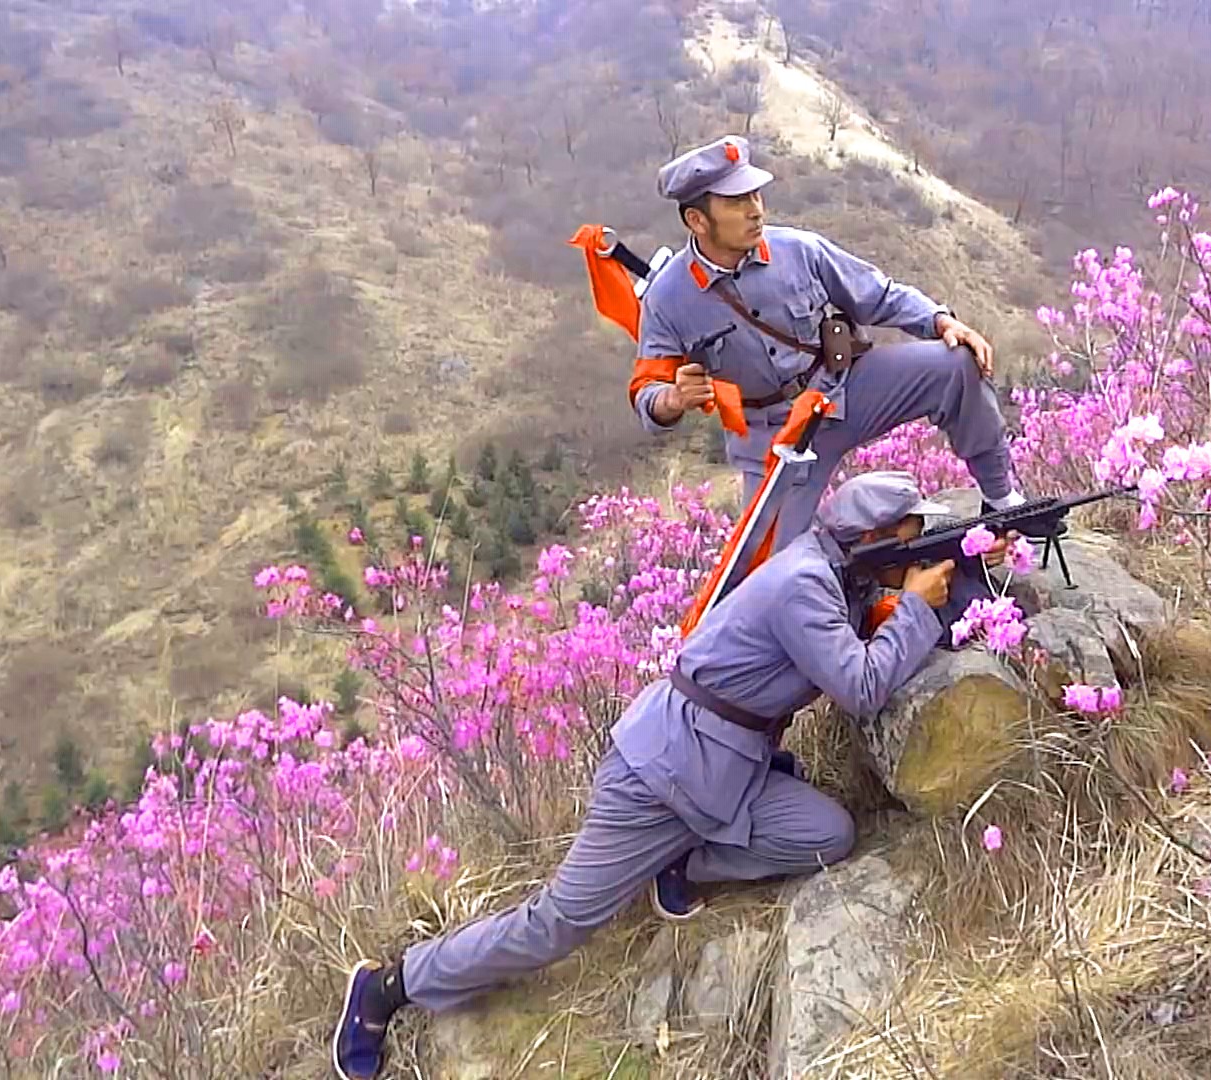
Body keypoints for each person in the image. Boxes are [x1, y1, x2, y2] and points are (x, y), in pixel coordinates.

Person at [330, 472, 1013, 1080]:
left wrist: (974, 571)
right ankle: (391, 986)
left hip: (726, 766)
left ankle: (681, 862)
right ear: (872, 536)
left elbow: (882, 625)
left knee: (826, 835)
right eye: (908, 533)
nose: (915, 544)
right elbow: (862, 683)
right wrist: (919, 606)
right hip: (657, 773)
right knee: (559, 923)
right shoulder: (803, 585)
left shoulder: (841, 573)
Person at [625, 134, 1032, 596]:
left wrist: (939, 320)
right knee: (771, 580)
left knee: (956, 363)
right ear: (697, 220)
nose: (756, 209)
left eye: (756, 195)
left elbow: (877, 295)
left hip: (841, 391)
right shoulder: (667, 299)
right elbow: (646, 394)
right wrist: (673, 399)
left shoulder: (799, 251)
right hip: (774, 438)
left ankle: (1003, 499)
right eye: (738, 202)